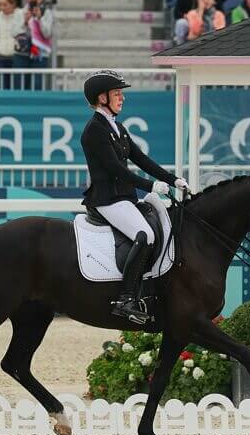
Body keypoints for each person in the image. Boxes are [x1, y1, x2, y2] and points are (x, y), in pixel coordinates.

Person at [80, 70, 189, 324]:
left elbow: (141, 159)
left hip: (124, 198)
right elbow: (116, 170)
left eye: (121, 94)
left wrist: (173, 179)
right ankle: (125, 299)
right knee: (146, 235)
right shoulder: (93, 131)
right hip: (107, 199)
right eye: (117, 94)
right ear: (102, 97)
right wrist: (151, 186)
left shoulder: (118, 127)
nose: (122, 98)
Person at [14, 0, 54, 90]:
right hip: (21, 54)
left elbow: (47, 34)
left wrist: (40, 18)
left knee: (37, 86)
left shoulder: (47, 13)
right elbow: (13, 33)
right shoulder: (20, 12)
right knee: (20, 86)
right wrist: (24, 22)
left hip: (40, 54)